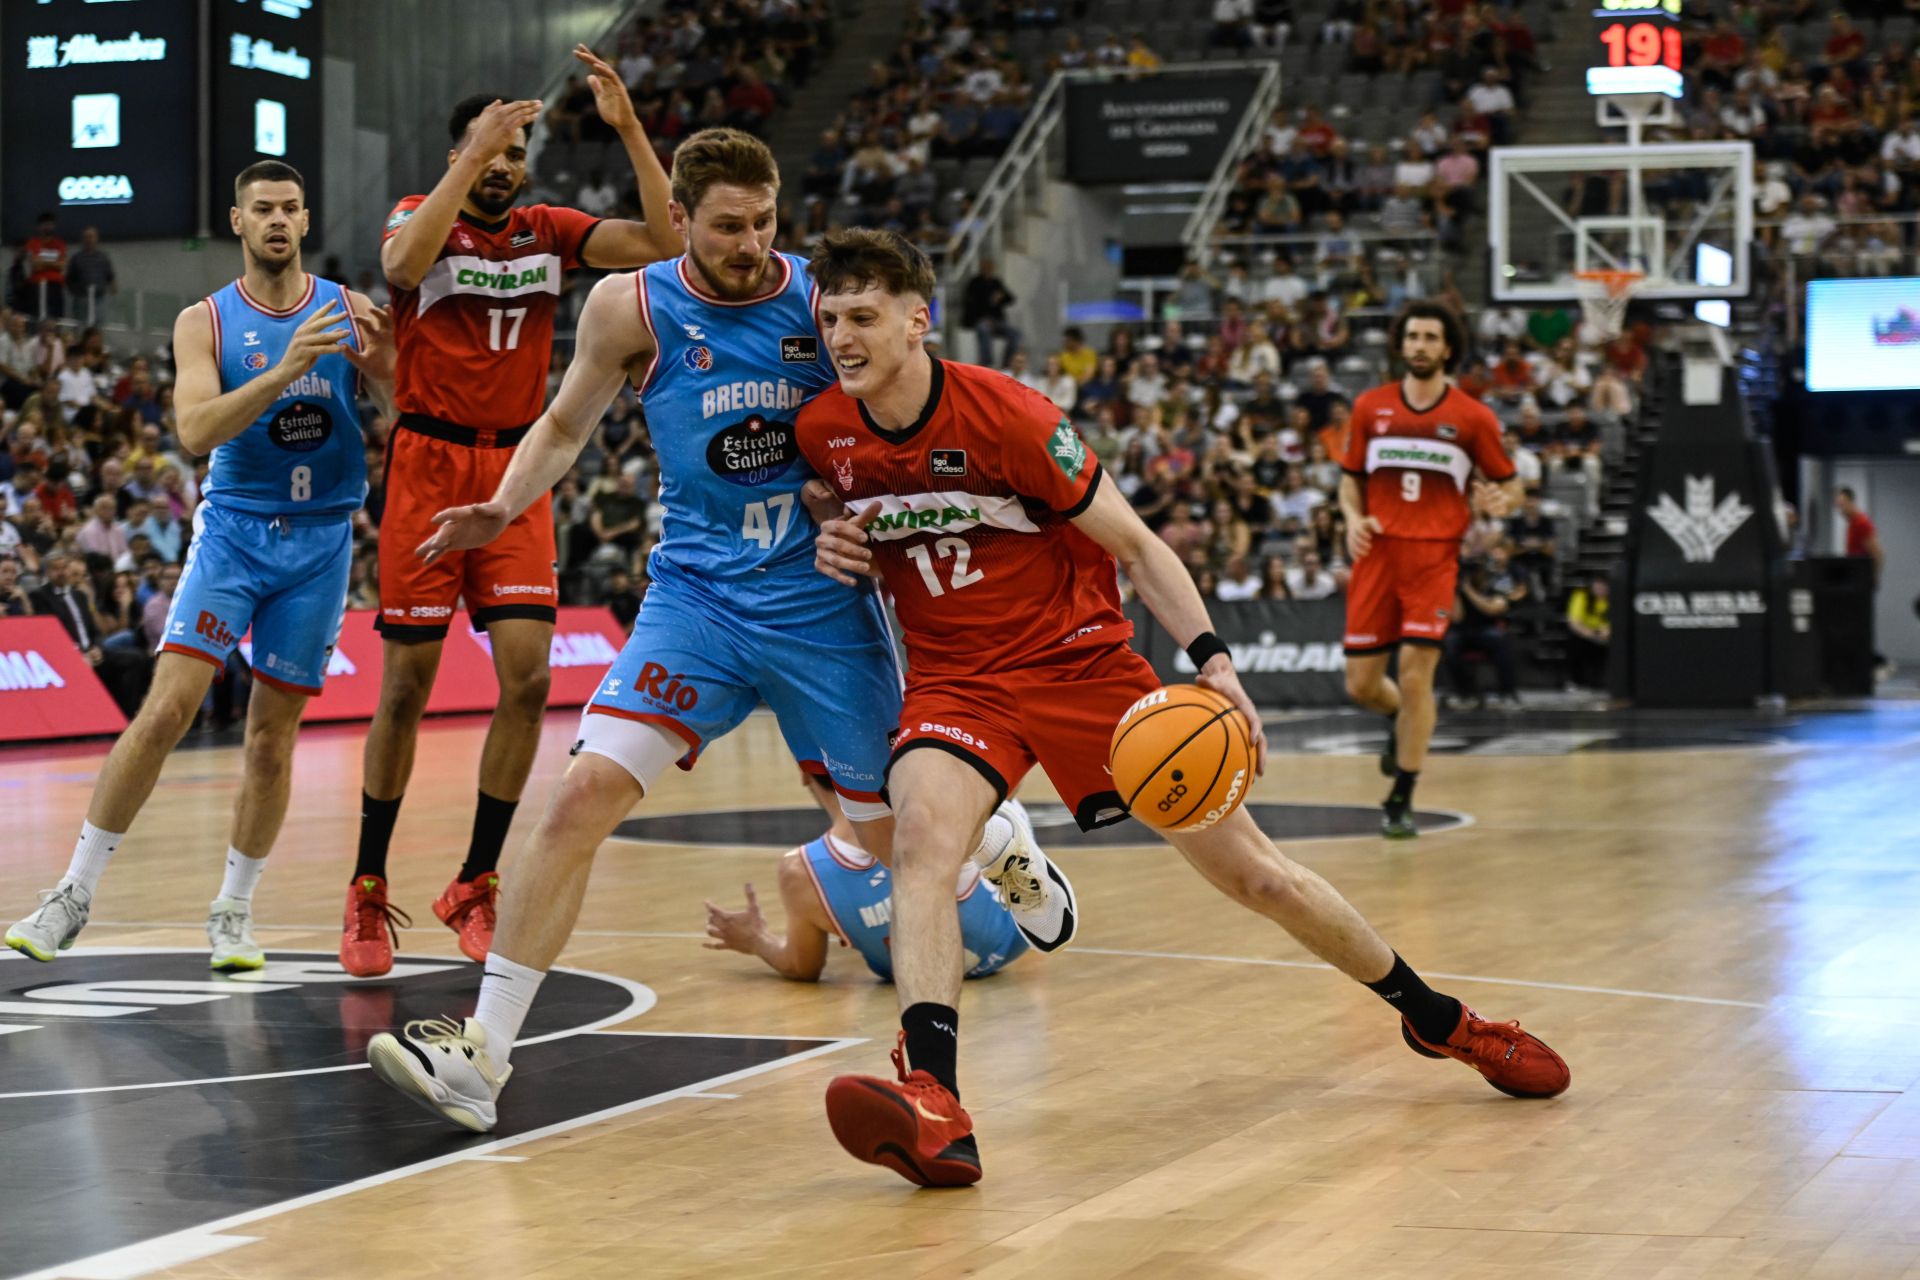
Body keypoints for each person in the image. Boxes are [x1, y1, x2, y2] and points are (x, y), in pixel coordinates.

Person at [792, 229, 1568, 1188]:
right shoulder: (822, 425)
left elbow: (1141, 548)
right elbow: (833, 500)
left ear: (919, 320)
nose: (841, 336)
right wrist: (834, 534)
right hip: (956, 682)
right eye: (829, 319)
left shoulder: (1012, 418)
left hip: (1080, 668)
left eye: (862, 317)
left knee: (1258, 879)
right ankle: (936, 1104)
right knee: (918, 844)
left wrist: (1218, 668)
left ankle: (1442, 1019)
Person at [362, 131, 1074, 1134]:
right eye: (730, 226)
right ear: (682, 222)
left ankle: (1000, 842)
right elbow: (565, 423)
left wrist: (848, 518)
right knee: (577, 799)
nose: (753, 243)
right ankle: (485, 1053)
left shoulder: (817, 307)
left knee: (890, 844)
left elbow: (882, 434)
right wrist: (501, 501)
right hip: (695, 600)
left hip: (818, 606)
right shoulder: (629, 304)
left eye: (766, 222)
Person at [345, 50, 682, 979]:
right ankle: (368, 887)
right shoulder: (422, 216)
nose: (506, 161)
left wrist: (628, 130)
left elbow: (662, 242)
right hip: (425, 458)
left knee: (529, 680)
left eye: (517, 148)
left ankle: (474, 881)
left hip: (514, 467)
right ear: (462, 151)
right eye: (493, 147)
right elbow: (401, 264)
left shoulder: (547, 230)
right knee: (406, 687)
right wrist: (469, 154)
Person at [6, 160, 392, 969]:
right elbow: (193, 430)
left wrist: (388, 364)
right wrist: (287, 369)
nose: (278, 220)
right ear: (239, 222)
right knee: (166, 710)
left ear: (306, 220)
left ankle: (234, 911)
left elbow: (406, 402)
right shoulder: (204, 321)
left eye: (290, 207)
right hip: (235, 534)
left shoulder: (348, 310)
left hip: (321, 541)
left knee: (270, 740)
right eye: (263, 209)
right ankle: (71, 894)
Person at [1339, 302, 1522, 838]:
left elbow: (1511, 485)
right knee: (1362, 686)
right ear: (1401, 344)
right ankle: (1400, 726)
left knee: (1418, 677)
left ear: (1447, 349)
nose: (1419, 345)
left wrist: (1501, 500)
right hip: (1376, 553)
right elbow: (1350, 478)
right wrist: (1352, 517)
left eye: (1430, 338)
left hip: (1434, 558)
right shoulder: (1369, 408)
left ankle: (1401, 798)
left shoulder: (1473, 417)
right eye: (1412, 336)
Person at [704, 771, 1029, 982]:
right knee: (992, 789)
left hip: (906, 975)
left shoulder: (800, 872)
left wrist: (758, 939)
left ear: (805, 775)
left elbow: (802, 966)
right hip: (1011, 940)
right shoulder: (936, 803)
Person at [1444, 546, 1526, 709]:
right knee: (1450, 642)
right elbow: (1457, 617)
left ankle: (1508, 693)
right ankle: (1465, 693)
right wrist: (1457, 591)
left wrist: (1470, 592)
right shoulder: (1458, 586)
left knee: (1500, 640)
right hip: (1463, 630)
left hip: (1487, 627)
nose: (1475, 574)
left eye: (1477, 569)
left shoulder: (1496, 581)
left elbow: (1495, 609)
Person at [1835, 486, 1888, 675]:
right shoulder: (1851, 525)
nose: (1839, 509)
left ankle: (1878, 663)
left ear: (1851, 502)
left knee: (1859, 626)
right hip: (1854, 582)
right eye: (1837, 505)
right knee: (1853, 626)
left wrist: (1873, 578)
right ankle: (1868, 663)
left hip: (1861, 583)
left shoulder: (1861, 523)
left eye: (1842, 504)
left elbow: (1878, 553)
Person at [1564, 571, 1611, 691]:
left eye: (1603, 586)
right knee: (1574, 643)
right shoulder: (1581, 595)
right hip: (1586, 633)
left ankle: (1601, 682)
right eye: (1597, 585)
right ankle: (1575, 681)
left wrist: (1606, 633)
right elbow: (1574, 622)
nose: (1600, 589)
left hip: (1605, 635)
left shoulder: (1613, 599)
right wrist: (1592, 635)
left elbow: (1615, 622)